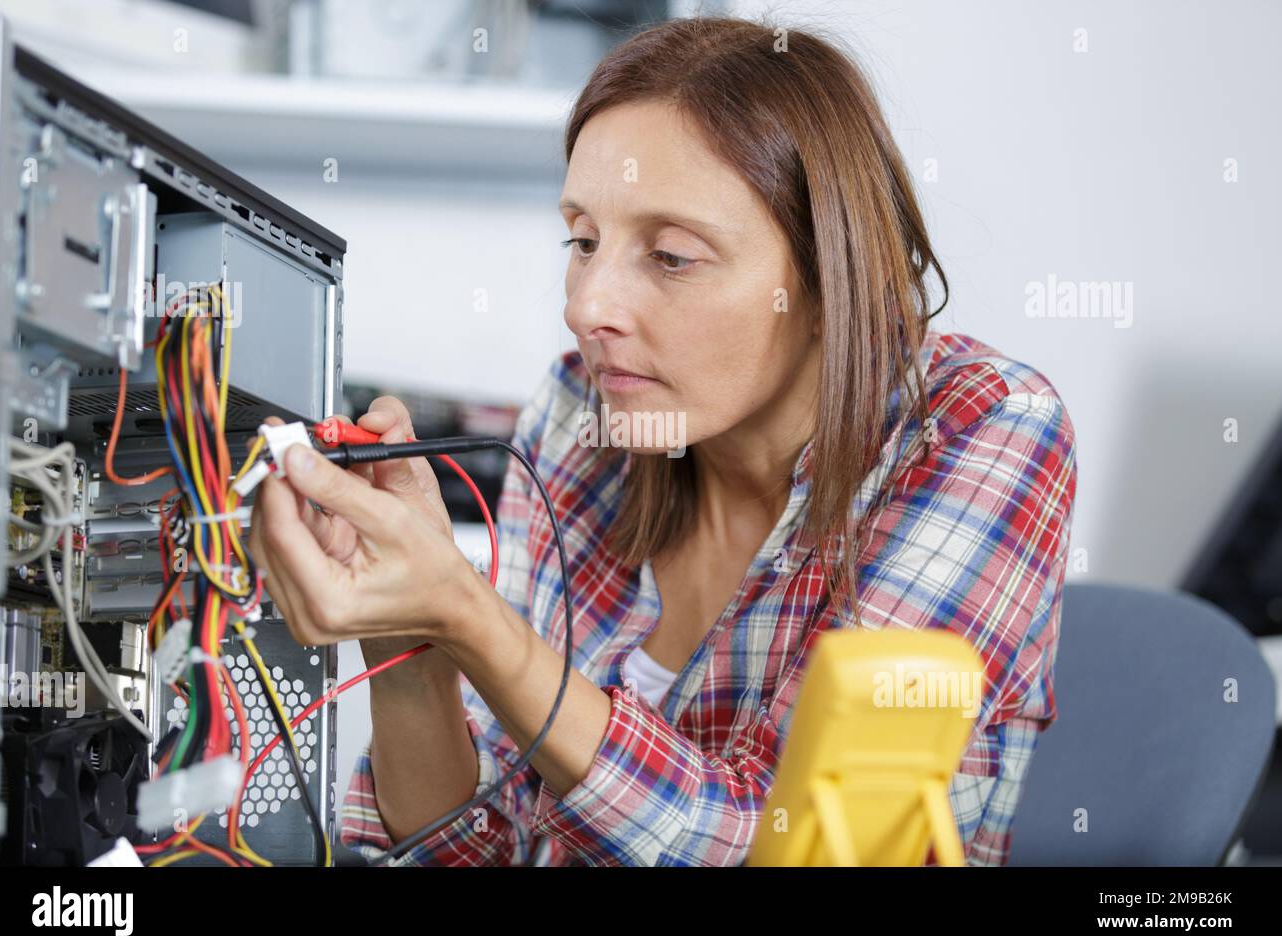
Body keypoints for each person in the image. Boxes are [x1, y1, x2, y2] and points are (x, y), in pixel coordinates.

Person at [249, 16, 1078, 866]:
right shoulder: (581, 411)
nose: (586, 306)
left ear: (833, 278)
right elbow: (474, 850)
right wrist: (411, 641)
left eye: (673, 256)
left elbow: (778, 846)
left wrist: (470, 615)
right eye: (582, 241)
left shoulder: (983, 428)